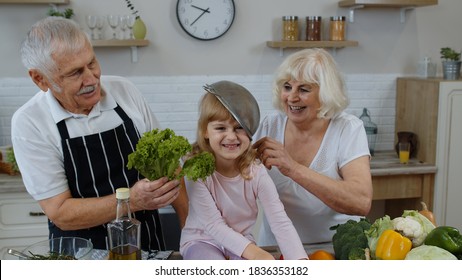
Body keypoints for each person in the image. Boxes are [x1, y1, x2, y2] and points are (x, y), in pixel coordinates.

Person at [11, 17, 188, 251]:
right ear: (40, 79)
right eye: (75, 73)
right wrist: (131, 201)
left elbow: (170, 165)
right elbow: (60, 212)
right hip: (79, 256)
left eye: (92, 62)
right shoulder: (29, 122)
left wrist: (191, 233)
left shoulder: (125, 92)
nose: (91, 79)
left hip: (146, 247)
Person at [252, 48, 373, 246]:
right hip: (276, 248)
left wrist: (293, 168)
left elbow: (361, 202)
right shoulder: (269, 125)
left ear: (326, 94)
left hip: (333, 249)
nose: (292, 97)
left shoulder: (348, 128)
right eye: (287, 87)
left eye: (304, 89)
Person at [179, 81, 308, 260]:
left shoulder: (256, 171)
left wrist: (300, 261)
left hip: (240, 242)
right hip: (201, 241)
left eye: (239, 128)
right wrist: (256, 255)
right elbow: (213, 225)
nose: (231, 136)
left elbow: (279, 221)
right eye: (221, 128)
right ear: (205, 132)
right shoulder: (196, 170)